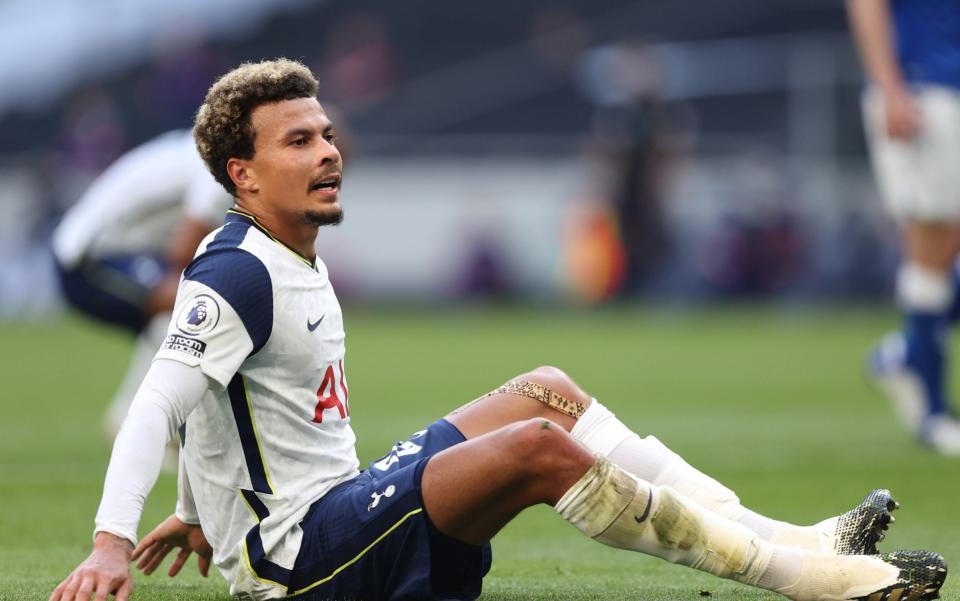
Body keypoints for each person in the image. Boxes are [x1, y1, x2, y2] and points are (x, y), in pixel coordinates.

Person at [50, 58, 947, 601]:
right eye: (298, 142)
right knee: (533, 449)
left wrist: (200, 510)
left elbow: (245, 407)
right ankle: (808, 581)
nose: (327, 151)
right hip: (303, 568)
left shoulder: (287, 249)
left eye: (325, 133)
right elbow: (158, 405)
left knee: (546, 389)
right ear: (243, 175)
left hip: (327, 513)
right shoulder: (240, 268)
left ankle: (798, 537)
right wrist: (110, 541)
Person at [51, 129, 234, 440]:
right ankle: (152, 424)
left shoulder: (212, 148)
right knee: (202, 307)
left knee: (185, 316)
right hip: (88, 257)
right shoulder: (219, 169)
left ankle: (138, 422)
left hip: (120, 249)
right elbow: (182, 252)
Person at [847, 0, 960, 455]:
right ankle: (932, 410)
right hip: (924, 86)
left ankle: (909, 351)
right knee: (936, 240)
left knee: (941, 244)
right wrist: (889, 86)